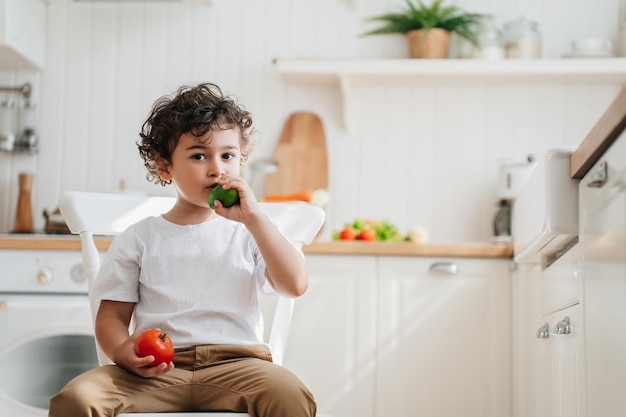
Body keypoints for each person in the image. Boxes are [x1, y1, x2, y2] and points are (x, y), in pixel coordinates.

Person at [48, 83, 317, 417]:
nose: (217, 168)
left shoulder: (250, 233)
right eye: (199, 155)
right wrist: (121, 349)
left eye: (228, 155)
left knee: (290, 394)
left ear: (241, 162)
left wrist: (256, 219)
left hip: (239, 365)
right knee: (77, 398)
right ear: (165, 167)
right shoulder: (139, 238)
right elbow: (112, 318)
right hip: (155, 370)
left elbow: (294, 285)